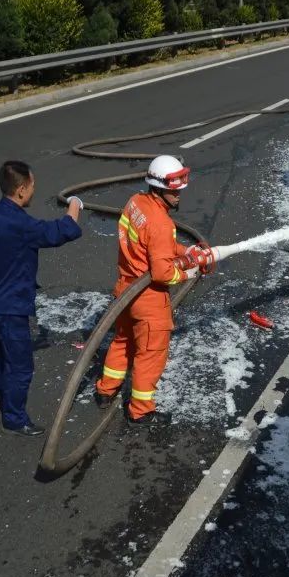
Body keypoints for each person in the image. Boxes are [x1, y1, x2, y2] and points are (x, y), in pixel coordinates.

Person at [0, 161, 84, 436]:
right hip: (12, 304)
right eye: (32, 187)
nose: (33, 191)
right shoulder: (21, 224)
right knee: (20, 364)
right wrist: (75, 206)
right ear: (20, 190)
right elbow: (59, 231)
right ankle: (15, 418)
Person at [95, 155, 201, 424]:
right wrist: (189, 270)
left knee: (123, 340)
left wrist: (186, 251)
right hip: (149, 299)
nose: (178, 196)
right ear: (159, 187)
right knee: (150, 354)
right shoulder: (161, 223)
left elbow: (151, 246)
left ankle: (106, 390)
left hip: (125, 289)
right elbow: (163, 272)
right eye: (173, 191)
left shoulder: (136, 203)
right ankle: (140, 410)